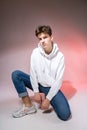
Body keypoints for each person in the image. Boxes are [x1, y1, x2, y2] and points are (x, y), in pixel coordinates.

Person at [11, 25, 71, 120]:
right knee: (16, 74)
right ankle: (28, 106)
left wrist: (48, 99)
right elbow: (33, 73)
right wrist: (36, 91)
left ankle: (49, 98)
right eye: (40, 38)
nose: (42, 41)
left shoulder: (60, 57)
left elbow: (58, 81)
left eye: (45, 37)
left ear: (51, 37)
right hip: (38, 84)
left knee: (65, 115)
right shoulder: (35, 52)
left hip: (50, 87)